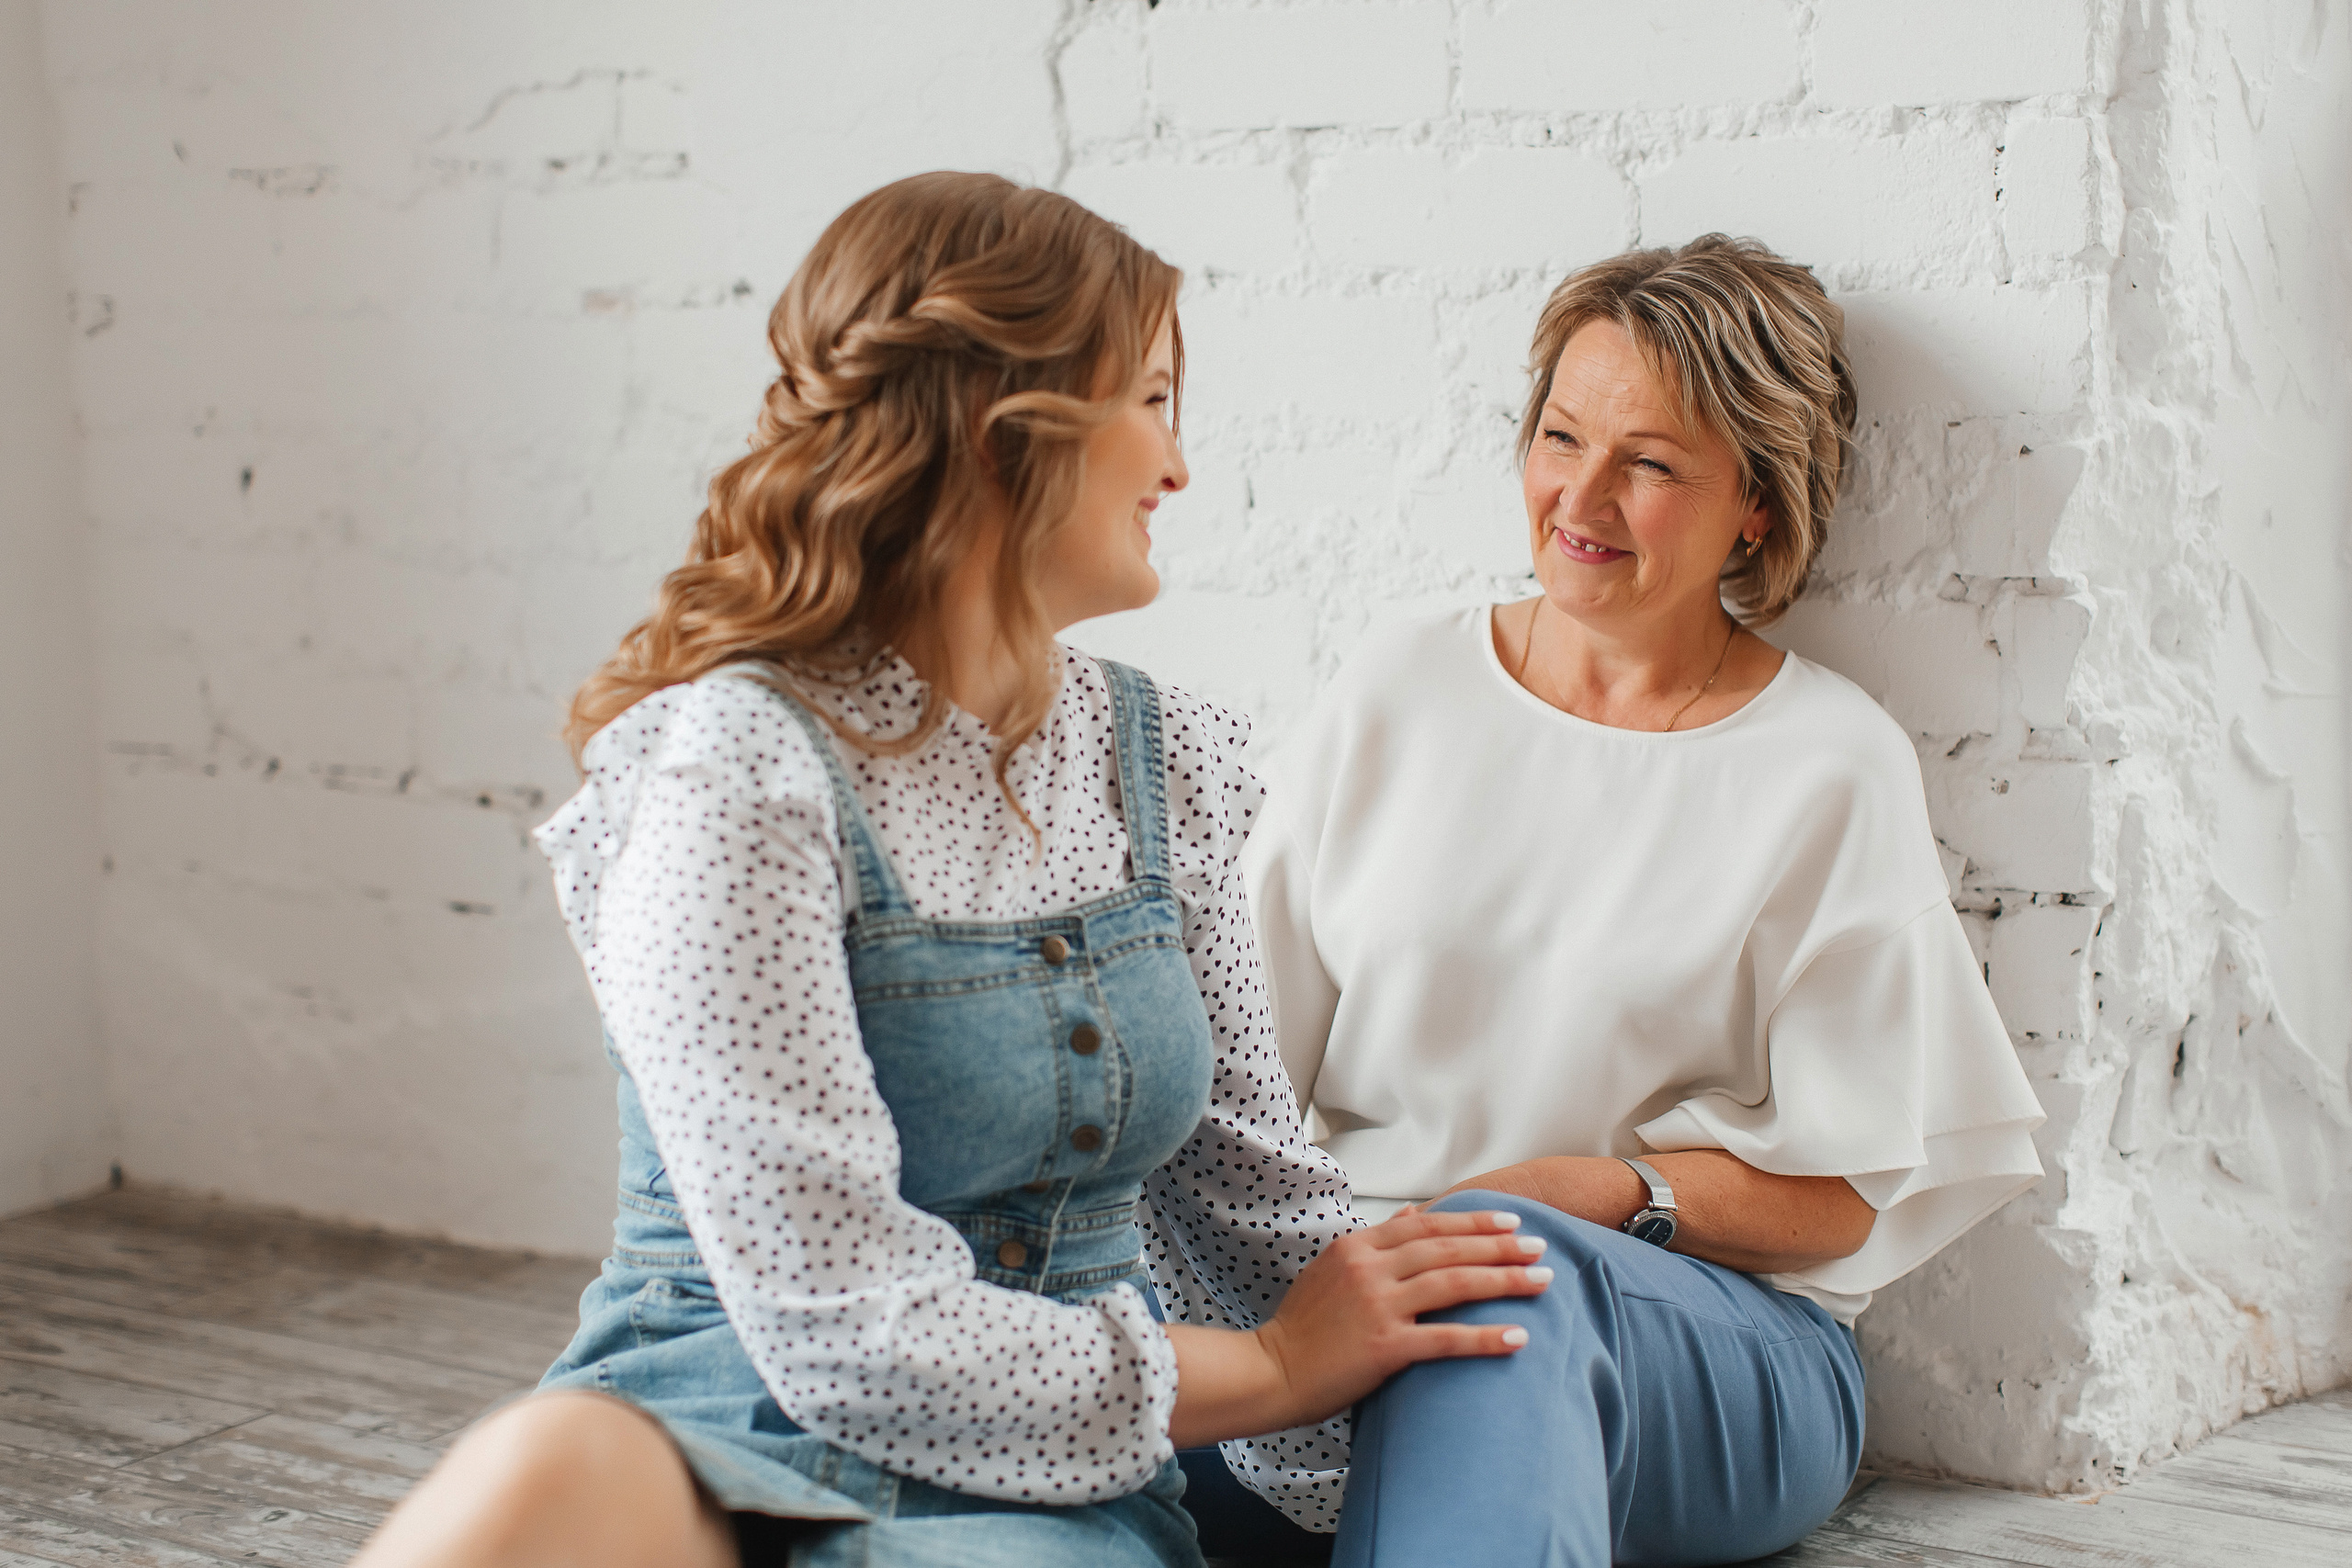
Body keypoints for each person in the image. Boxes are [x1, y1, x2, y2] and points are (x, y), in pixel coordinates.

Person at [344, 173, 1549, 1568]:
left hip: (1033, 1512)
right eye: (1153, 400)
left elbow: (1258, 1204)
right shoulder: (733, 769)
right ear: (1005, 430)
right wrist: (1276, 1370)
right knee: (546, 1467)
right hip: (700, 1458)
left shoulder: (1165, 762)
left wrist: (1485, 1382)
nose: (1180, 468)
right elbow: (838, 1321)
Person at [1237, 235, 2050, 1566]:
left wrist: (1590, 1192)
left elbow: (1846, 1194)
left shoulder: (1826, 768)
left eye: (1652, 463)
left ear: (1758, 508)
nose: (1582, 495)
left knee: (1508, 1278)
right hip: (1362, 1287)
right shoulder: (1397, 688)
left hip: (1704, 1339)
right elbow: (1242, 1069)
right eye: (1561, 435)